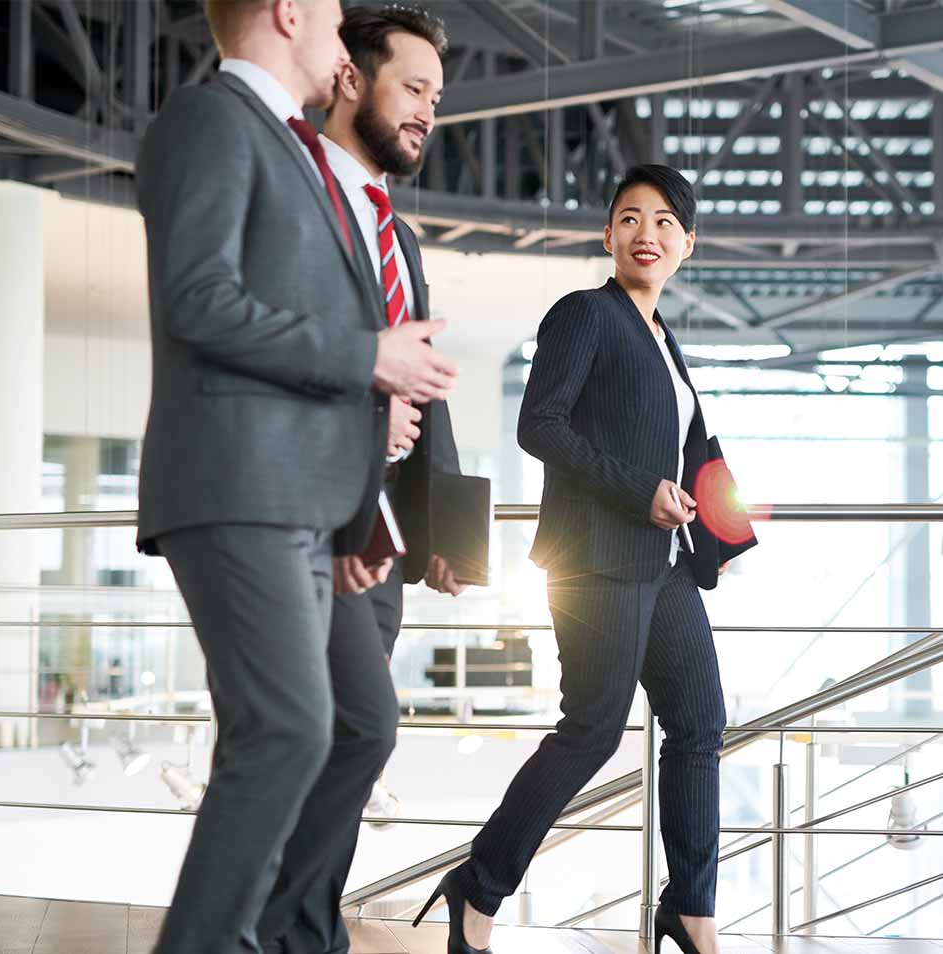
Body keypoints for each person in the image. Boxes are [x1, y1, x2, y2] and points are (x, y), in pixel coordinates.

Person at [134, 0, 457, 950]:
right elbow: (200, 302)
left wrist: (355, 508)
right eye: (333, 15)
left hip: (296, 499)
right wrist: (369, 357)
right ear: (288, 12)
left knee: (317, 729)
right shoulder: (211, 121)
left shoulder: (287, 152)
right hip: (242, 489)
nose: (340, 35)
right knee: (287, 733)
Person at [414, 165, 732, 954]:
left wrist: (722, 535)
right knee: (592, 729)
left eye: (664, 222)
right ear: (607, 235)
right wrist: (640, 493)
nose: (646, 234)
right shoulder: (586, 314)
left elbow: (690, 448)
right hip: (594, 560)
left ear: (688, 243)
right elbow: (540, 426)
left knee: (700, 723)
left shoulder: (663, 340)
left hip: (662, 564)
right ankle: (477, 891)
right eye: (629, 218)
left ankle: (690, 910)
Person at [257, 7, 465, 953]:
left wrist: (443, 535)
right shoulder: (296, 189)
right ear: (350, 79)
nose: (427, 111)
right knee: (354, 731)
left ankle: (304, 924)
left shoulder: (397, 234)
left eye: (434, 96)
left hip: (378, 532)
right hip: (305, 513)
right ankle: (290, 931)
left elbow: (422, 384)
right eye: (412, 88)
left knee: (343, 738)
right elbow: (275, 351)